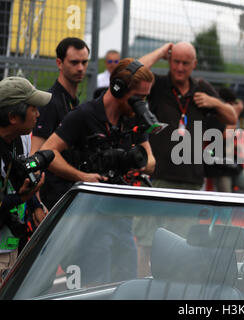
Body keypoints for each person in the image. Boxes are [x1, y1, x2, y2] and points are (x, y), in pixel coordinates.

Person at [40, 58, 156, 285]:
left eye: (145, 97)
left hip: (121, 214)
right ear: (118, 88)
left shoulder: (133, 117)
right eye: (138, 98)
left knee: (127, 282)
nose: (142, 103)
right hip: (88, 217)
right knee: (95, 284)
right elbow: (48, 152)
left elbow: (150, 161)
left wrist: (135, 160)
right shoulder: (84, 115)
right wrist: (83, 177)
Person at [131, 42, 237, 277]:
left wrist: (215, 103)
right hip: (155, 180)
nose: (179, 67)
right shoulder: (157, 84)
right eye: (175, 61)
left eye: (185, 63)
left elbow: (232, 118)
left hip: (188, 182)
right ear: (169, 61)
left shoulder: (202, 88)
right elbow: (132, 74)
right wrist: (159, 52)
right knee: (146, 247)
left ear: (194, 64)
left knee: (182, 250)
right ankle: (144, 292)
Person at [0, 77, 52, 281]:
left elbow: (19, 178)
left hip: (12, 242)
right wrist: (22, 198)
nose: (38, 114)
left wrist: (35, 204)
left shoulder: (22, 137)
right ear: (13, 117)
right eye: (33, 109)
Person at [31, 37, 90, 210]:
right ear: (59, 63)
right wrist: (37, 204)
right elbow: (35, 155)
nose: (80, 68)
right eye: (74, 62)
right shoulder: (50, 102)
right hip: (51, 198)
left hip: (70, 195)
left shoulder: (74, 102)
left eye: (84, 62)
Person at [207, 87, 244, 194]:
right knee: (225, 198)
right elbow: (225, 135)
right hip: (219, 168)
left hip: (233, 166)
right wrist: (234, 115)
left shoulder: (229, 116)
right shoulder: (213, 116)